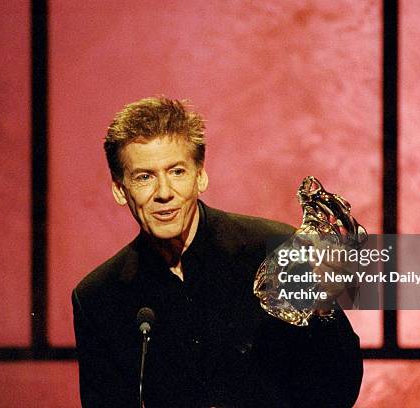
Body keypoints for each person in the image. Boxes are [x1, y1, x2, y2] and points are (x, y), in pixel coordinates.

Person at [72, 97, 363, 407]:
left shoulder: (275, 249)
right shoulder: (98, 298)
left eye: (177, 172)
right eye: (145, 177)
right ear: (120, 190)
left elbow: (338, 390)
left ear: (201, 176)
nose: (164, 193)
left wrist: (322, 313)